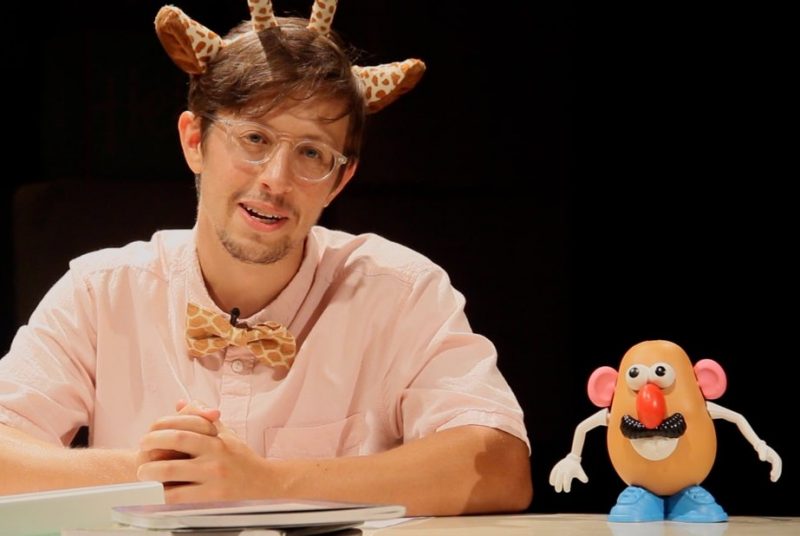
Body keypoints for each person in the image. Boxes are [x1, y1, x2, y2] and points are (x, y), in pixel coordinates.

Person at [0, 0, 531, 515]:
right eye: (253, 138)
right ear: (194, 142)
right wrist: (168, 471)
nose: (276, 180)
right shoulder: (101, 291)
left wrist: (266, 481)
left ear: (340, 179)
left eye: (311, 153)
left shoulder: (400, 290)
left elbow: (499, 463)